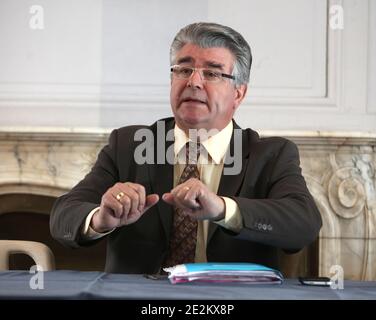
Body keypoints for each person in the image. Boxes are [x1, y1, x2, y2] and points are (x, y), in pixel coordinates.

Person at [50, 22, 322, 274]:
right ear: (172, 80)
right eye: (183, 69)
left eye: (212, 73)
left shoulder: (271, 155)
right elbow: (63, 216)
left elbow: (303, 226)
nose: (193, 81)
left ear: (238, 93)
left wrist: (223, 209)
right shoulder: (129, 145)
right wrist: (100, 219)